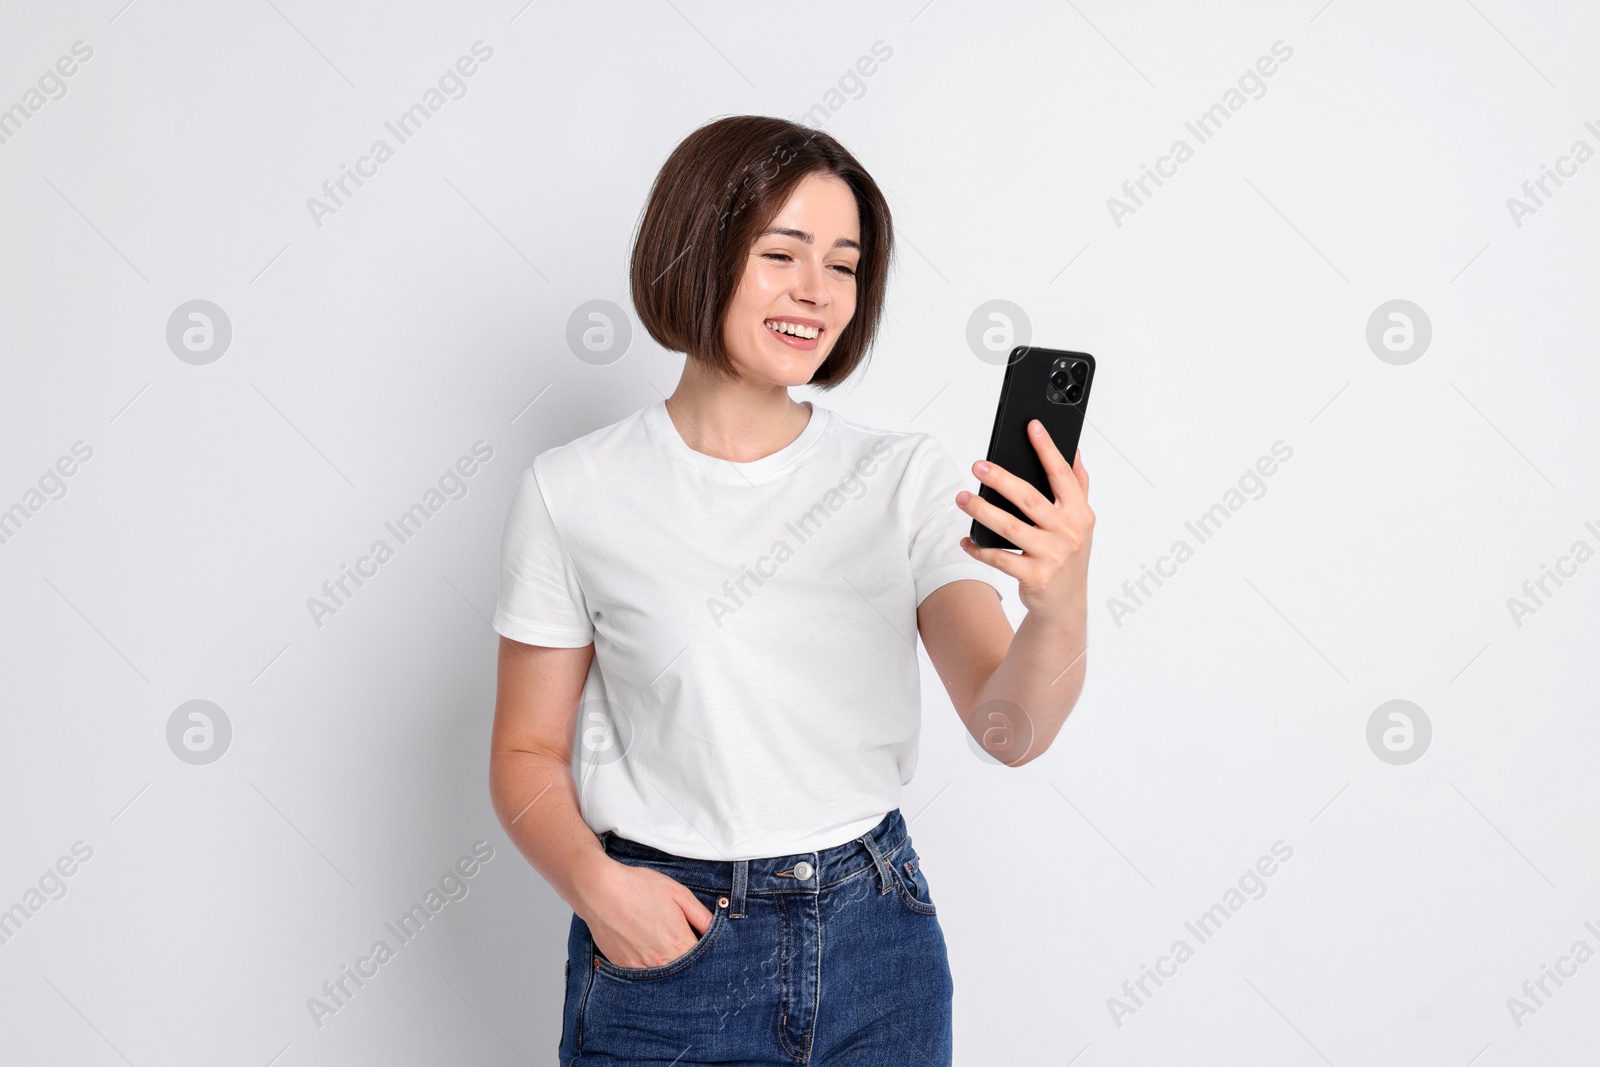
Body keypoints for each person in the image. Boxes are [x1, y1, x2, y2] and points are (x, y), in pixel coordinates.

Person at [488, 114, 1093, 1066]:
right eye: (782, 253)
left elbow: (1004, 727)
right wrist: (601, 890)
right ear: (697, 250)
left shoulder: (903, 479)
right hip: (670, 952)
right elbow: (525, 749)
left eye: (845, 264)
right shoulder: (576, 491)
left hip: (877, 941)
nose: (817, 291)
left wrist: (1059, 605)